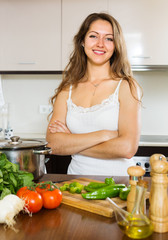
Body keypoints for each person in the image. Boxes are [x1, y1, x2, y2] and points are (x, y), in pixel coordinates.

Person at [46, 12, 142, 176]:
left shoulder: (126, 86)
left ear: (115, 45)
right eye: (93, 36)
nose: (100, 44)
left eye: (109, 38)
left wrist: (73, 142)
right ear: (82, 41)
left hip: (119, 184)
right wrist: (104, 135)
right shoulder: (66, 90)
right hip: (76, 183)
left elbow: (127, 148)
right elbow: (52, 144)